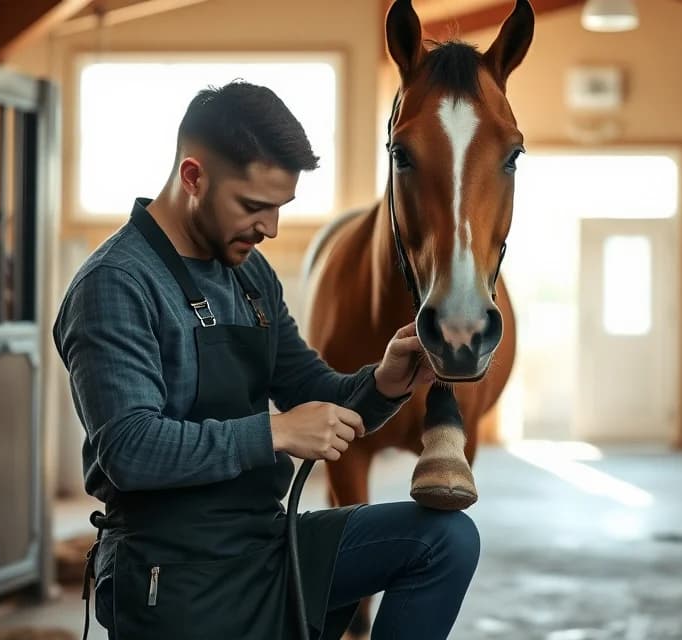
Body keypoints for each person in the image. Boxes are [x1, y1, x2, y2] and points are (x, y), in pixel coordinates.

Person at [53, 80, 481, 640]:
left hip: (267, 545)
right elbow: (129, 450)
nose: (270, 228)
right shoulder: (116, 285)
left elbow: (311, 390)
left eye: (281, 208)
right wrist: (274, 433)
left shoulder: (250, 275)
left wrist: (384, 384)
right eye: (254, 206)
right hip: (173, 574)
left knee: (446, 540)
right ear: (192, 177)